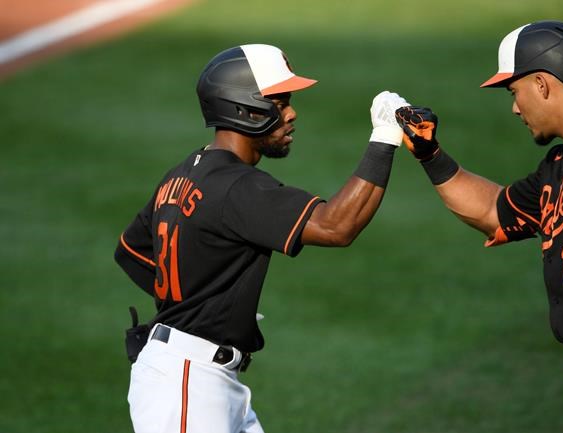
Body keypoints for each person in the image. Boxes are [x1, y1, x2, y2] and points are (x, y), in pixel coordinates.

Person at [114, 43, 409, 433]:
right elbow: (338, 226)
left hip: (198, 377)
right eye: (279, 103)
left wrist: (203, 302)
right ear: (243, 108)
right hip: (188, 383)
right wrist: (385, 136)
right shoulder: (237, 187)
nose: (291, 113)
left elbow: (132, 251)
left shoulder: (182, 173)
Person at [395, 20, 563, 432]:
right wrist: (430, 154)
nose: (515, 107)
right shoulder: (560, 164)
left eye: (515, 91)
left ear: (543, 84)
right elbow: (494, 211)